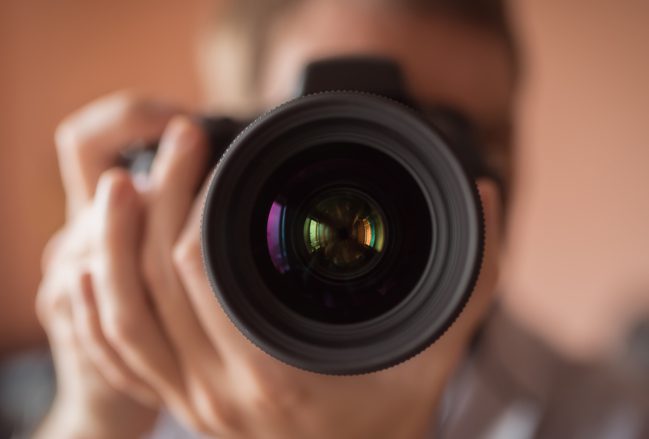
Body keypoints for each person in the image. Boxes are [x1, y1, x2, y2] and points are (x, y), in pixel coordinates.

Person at [35, 0, 516, 437]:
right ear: (224, 159)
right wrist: (93, 420)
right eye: (325, 120)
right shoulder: (150, 387)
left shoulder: (587, 410)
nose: (438, 173)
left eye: (461, 138)